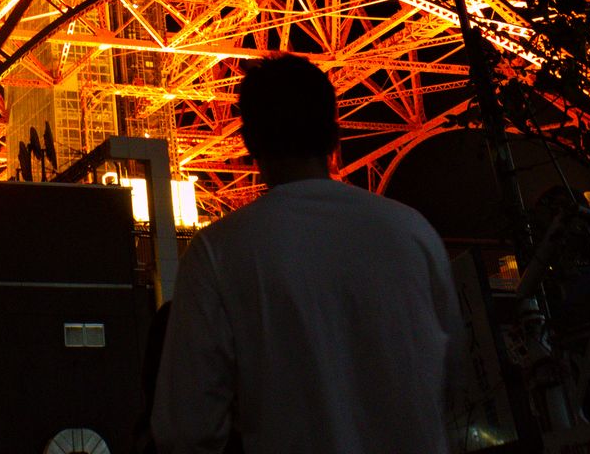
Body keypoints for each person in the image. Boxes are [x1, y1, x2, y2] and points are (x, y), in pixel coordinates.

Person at [151, 55, 461, 454]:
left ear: (248, 141)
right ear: (334, 135)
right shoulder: (415, 232)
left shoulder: (218, 251)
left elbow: (185, 428)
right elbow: (456, 380)